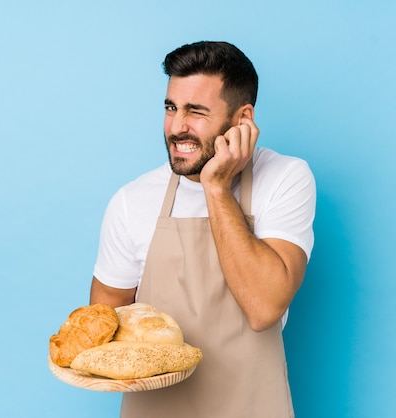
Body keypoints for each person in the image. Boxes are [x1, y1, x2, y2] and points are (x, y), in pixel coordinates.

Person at [89, 41, 316, 418]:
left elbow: (264, 308)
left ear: (243, 119)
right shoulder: (132, 200)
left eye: (196, 111)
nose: (177, 127)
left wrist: (216, 186)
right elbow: (103, 324)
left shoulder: (285, 178)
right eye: (170, 108)